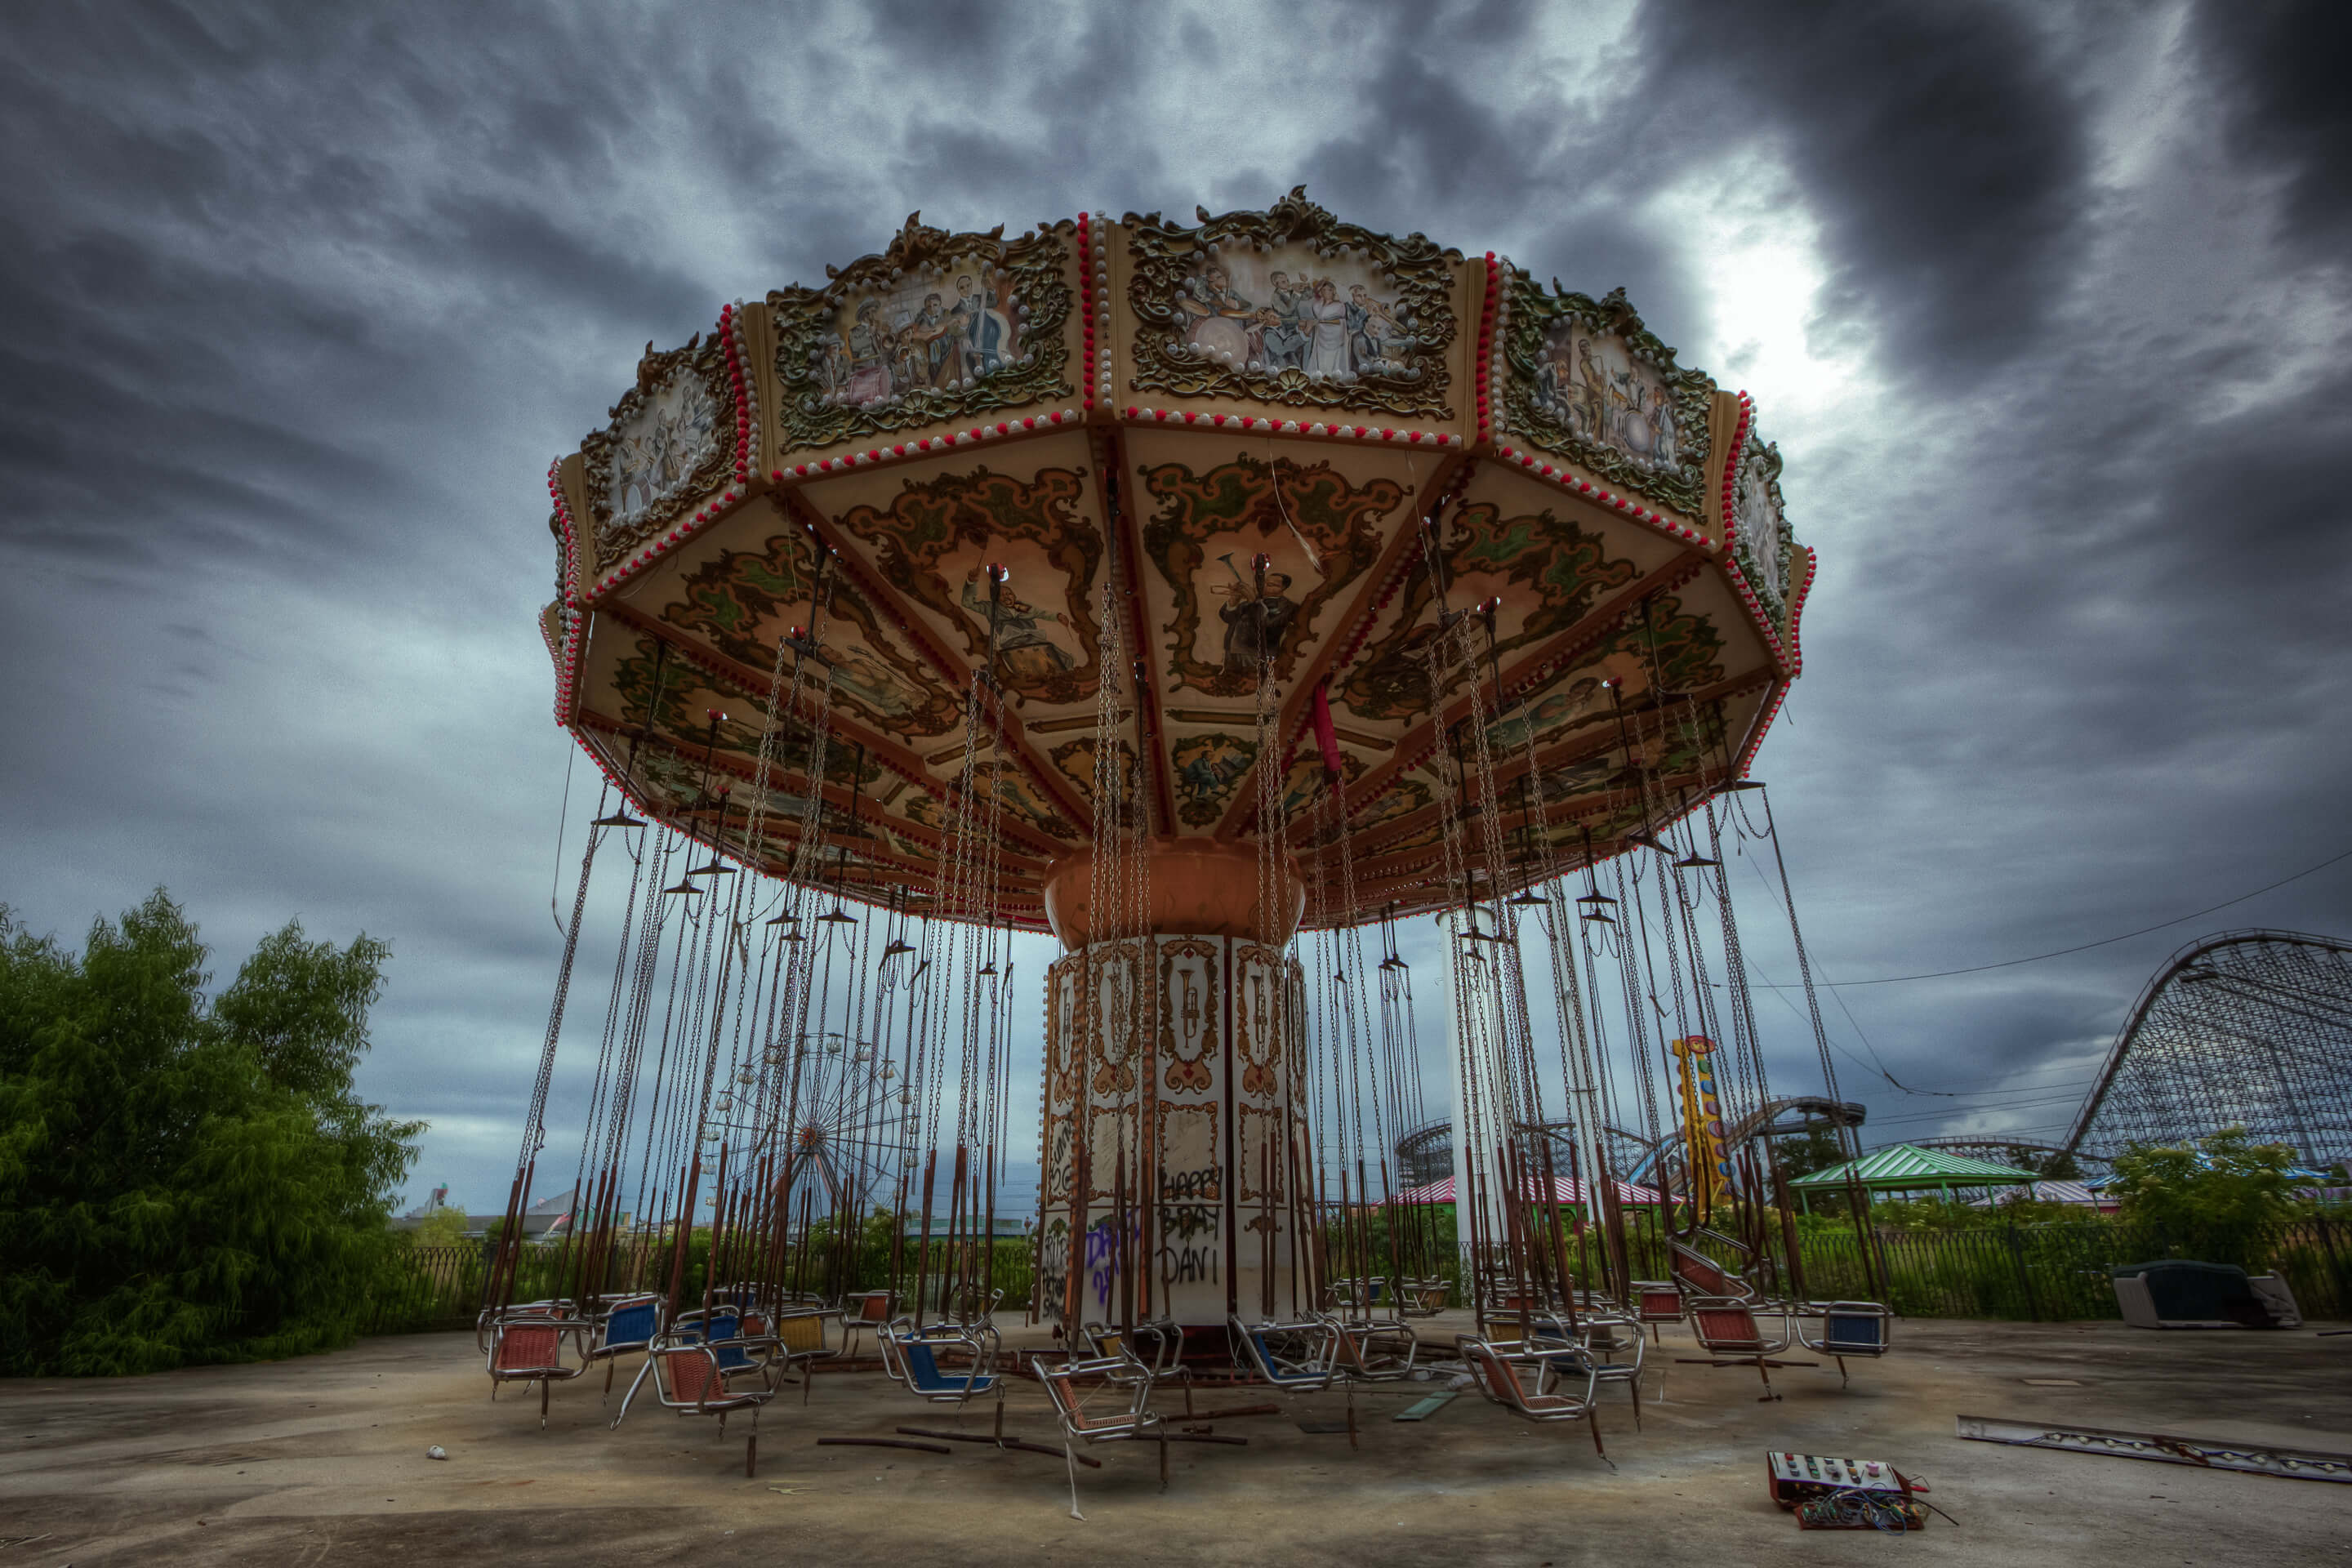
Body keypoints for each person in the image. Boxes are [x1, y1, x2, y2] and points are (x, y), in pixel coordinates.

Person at [1219, 572, 1298, 675]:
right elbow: (1228, 619)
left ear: (1283, 588)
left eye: (1270, 585)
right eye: (1264, 583)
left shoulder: (1288, 607)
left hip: (1256, 655)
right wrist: (1233, 602)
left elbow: (1268, 626)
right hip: (1232, 651)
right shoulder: (1251, 602)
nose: (1263, 586)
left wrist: (1254, 602)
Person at [1178, 264, 1252, 363]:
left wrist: (1237, 304)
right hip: (1210, 332)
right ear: (1210, 280)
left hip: (1232, 333)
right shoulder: (1205, 293)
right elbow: (1197, 300)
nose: (1223, 278)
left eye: (1222, 276)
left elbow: (1247, 305)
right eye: (1219, 277)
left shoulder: (1231, 294)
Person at [1302, 279, 1352, 379]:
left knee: (1333, 363)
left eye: (1328, 290)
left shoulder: (1339, 306)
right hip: (1320, 337)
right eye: (1323, 290)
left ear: (1333, 291)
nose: (1325, 292)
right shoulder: (1316, 305)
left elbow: (1340, 322)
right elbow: (1317, 319)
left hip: (1336, 337)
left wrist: (1322, 322)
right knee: (1320, 361)